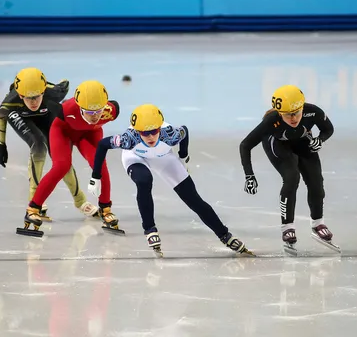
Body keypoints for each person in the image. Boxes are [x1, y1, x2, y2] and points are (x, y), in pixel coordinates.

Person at [88, 104, 254, 257]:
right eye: (145, 133)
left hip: (163, 157)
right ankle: (150, 229)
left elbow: (185, 132)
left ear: (160, 127)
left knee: (193, 199)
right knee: (144, 181)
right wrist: (96, 176)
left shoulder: (169, 134)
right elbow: (103, 145)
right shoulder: (129, 138)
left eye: (154, 131)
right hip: (135, 157)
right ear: (138, 132)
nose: (150, 136)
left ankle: (225, 235)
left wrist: (184, 156)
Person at [238, 84, 339, 254]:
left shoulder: (313, 112)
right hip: (278, 145)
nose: (293, 118)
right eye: (287, 115)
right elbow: (245, 145)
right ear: (279, 113)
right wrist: (249, 175)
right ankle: (287, 227)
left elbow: (328, 129)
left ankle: (318, 223)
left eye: (296, 113)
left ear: (302, 108)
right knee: (292, 177)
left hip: (302, 142)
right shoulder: (271, 122)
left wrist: (320, 140)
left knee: (316, 182)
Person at [16, 80, 122, 237]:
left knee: (100, 166)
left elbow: (114, 106)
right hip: (63, 131)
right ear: (80, 107)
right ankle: (33, 208)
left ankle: (105, 209)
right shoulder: (65, 110)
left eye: (98, 112)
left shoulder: (110, 111)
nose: (95, 116)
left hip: (89, 133)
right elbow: (40, 106)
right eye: (89, 112)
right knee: (61, 166)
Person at [0, 67, 99, 220]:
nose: (33, 102)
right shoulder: (9, 104)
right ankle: (35, 201)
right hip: (21, 116)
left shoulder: (55, 92)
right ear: (20, 95)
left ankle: (80, 201)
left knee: (62, 160)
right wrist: (1, 146)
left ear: (43, 91)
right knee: (38, 145)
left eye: (37, 97)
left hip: (46, 116)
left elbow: (66, 85)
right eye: (28, 98)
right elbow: (1, 119)